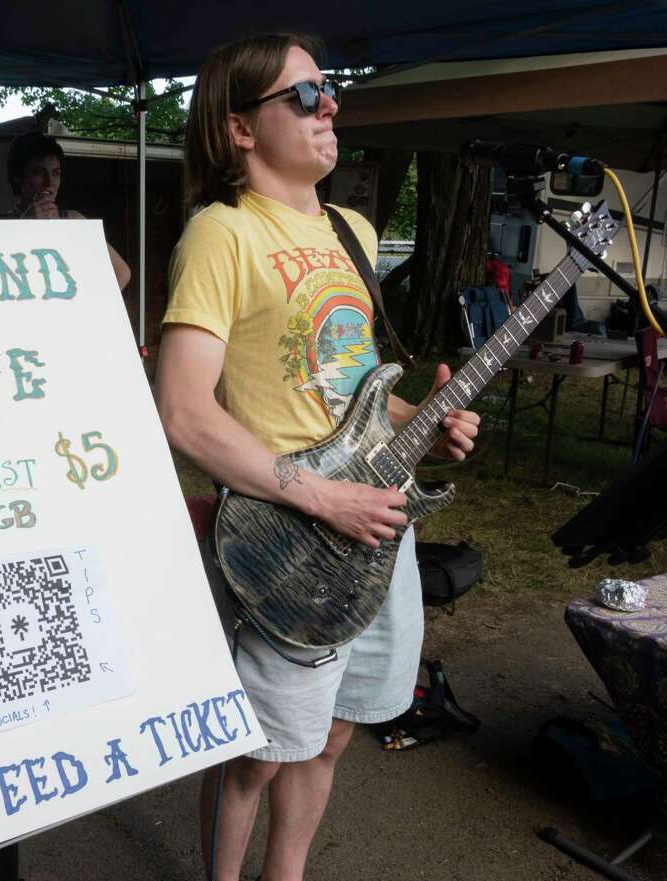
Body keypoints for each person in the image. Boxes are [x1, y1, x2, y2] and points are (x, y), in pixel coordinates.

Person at [154, 34, 480, 881]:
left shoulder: (354, 230)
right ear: (239, 129)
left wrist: (426, 419)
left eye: (327, 90)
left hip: (377, 527)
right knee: (256, 755)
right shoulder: (220, 235)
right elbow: (184, 411)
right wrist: (318, 498)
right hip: (288, 538)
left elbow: (354, 390)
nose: (329, 104)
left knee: (334, 731)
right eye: (303, 96)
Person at [0, 132, 132, 291]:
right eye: (38, 173)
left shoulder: (73, 220)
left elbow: (122, 272)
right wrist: (25, 225)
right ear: (19, 177)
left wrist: (95, 307)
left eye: (55, 173)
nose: (49, 183)